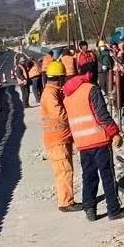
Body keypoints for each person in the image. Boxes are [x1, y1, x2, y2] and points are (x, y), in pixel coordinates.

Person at [63, 56, 124, 221]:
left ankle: (89, 209)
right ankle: (113, 210)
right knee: (107, 175)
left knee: (88, 176)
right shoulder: (91, 89)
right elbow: (102, 115)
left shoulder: (68, 94)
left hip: (82, 143)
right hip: (99, 140)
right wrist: (115, 132)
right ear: (90, 74)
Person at [39, 62, 76, 212]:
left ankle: (67, 200)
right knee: (64, 171)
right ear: (59, 78)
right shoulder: (50, 94)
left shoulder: (53, 91)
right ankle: (66, 202)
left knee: (66, 169)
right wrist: (74, 114)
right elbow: (59, 114)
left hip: (61, 138)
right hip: (56, 140)